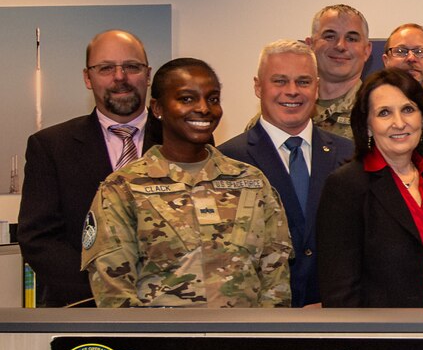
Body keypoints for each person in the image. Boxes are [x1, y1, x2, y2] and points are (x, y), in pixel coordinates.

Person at [84, 58, 291, 309]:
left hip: (245, 344)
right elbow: (115, 295)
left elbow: (275, 279)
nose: (204, 108)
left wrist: (258, 340)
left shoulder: (252, 182)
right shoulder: (122, 188)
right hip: (161, 345)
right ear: (158, 108)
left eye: (213, 99)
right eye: (187, 99)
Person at [19, 28, 160, 308]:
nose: (119, 77)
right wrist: (110, 288)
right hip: (81, 309)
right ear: (87, 77)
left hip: (171, 311)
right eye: (106, 68)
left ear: (148, 74)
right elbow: (39, 239)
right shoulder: (50, 146)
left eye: (131, 67)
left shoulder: (182, 141)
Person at [219, 38, 354, 307]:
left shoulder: (349, 155)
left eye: (303, 82)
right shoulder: (227, 160)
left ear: (316, 87)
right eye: (279, 81)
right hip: (259, 322)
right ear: (258, 87)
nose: (292, 91)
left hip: (336, 317)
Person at [317, 68, 423, 309]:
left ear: (422, 118)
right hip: (383, 340)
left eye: (408, 109)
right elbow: (340, 294)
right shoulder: (346, 186)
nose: (399, 123)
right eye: (384, 113)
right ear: (367, 126)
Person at [310, 3, 370, 139]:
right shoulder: (286, 109)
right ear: (311, 45)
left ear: (366, 51)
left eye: (352, 39)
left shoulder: (380, 112)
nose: (340, 46)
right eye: (330, 36)